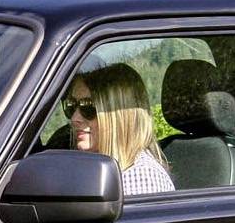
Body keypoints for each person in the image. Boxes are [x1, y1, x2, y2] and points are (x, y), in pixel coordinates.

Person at [62, 63, 175, 196]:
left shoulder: (140, 179)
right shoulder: (94, 168)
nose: (75, 118)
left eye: (88, 106)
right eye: (71, 105)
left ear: (118, 118)